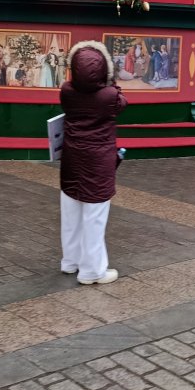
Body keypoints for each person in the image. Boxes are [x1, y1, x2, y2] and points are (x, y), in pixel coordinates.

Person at [59, 40, 127, 285]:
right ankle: (92, 271)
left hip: (71, 159)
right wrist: (111, 80)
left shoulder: (67, 90)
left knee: (71, 212)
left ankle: (70, 262)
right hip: (98, 163)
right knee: (94, 217)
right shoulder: (109, 96)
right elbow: (123, 102)